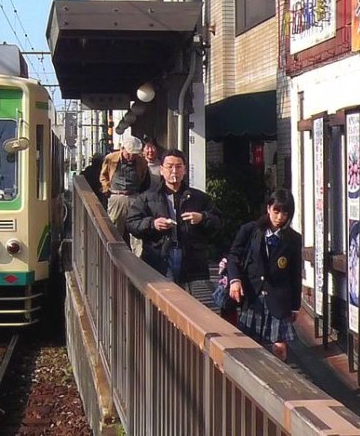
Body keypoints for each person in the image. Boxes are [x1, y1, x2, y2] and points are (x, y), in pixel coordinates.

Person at [127, 148, 221, 296]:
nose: (174, 171)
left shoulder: (198, 197)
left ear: (185, 170)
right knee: (167, 298)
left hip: (191, 256)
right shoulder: (147, 197)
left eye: (178, 166)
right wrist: (153, 224)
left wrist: (202, 218)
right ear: (161, 170)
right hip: (160, 254)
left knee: (189, 301)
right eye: (169, 166)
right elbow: (132, 223)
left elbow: (218, 223)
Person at [227, 189, 302, 362]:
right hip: (253, 294)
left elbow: (295, 273)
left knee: (279, 347)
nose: (280, 217)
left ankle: (280, 379)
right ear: (268, 208)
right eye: (276, 211)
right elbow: (233, 256)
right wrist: (235, 280)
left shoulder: (293, 239)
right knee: (251, 345)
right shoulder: (250, 230)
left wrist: (295, 306)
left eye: (285, 213)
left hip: (279, 298)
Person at [101, 136, 150, 255]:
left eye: (134, 154)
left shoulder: (141, 162)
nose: (131, 156)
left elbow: (145, 180)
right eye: (129, 153)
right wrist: (107, 188)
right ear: (122, 149)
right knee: (114, 229)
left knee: (137, 229)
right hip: (116, 196)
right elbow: (104, 176)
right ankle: (112, 255)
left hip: (134, 196)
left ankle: (138, 259)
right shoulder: (111, 158)